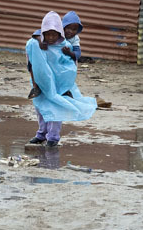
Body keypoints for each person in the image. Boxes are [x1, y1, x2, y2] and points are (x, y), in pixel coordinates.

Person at [26, 11, 96, 147]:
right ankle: (41, 134)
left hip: (58, 84)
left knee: (56, 109)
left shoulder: (65, 46)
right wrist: (39, 40)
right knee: (41, 109)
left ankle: (52, 137)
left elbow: (70, 67)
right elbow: (32, 59)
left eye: (54, 34)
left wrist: (66, 85)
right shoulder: (36, 43)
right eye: (48, 34)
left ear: (59, 33)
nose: (51, 37)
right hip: (41, 84)